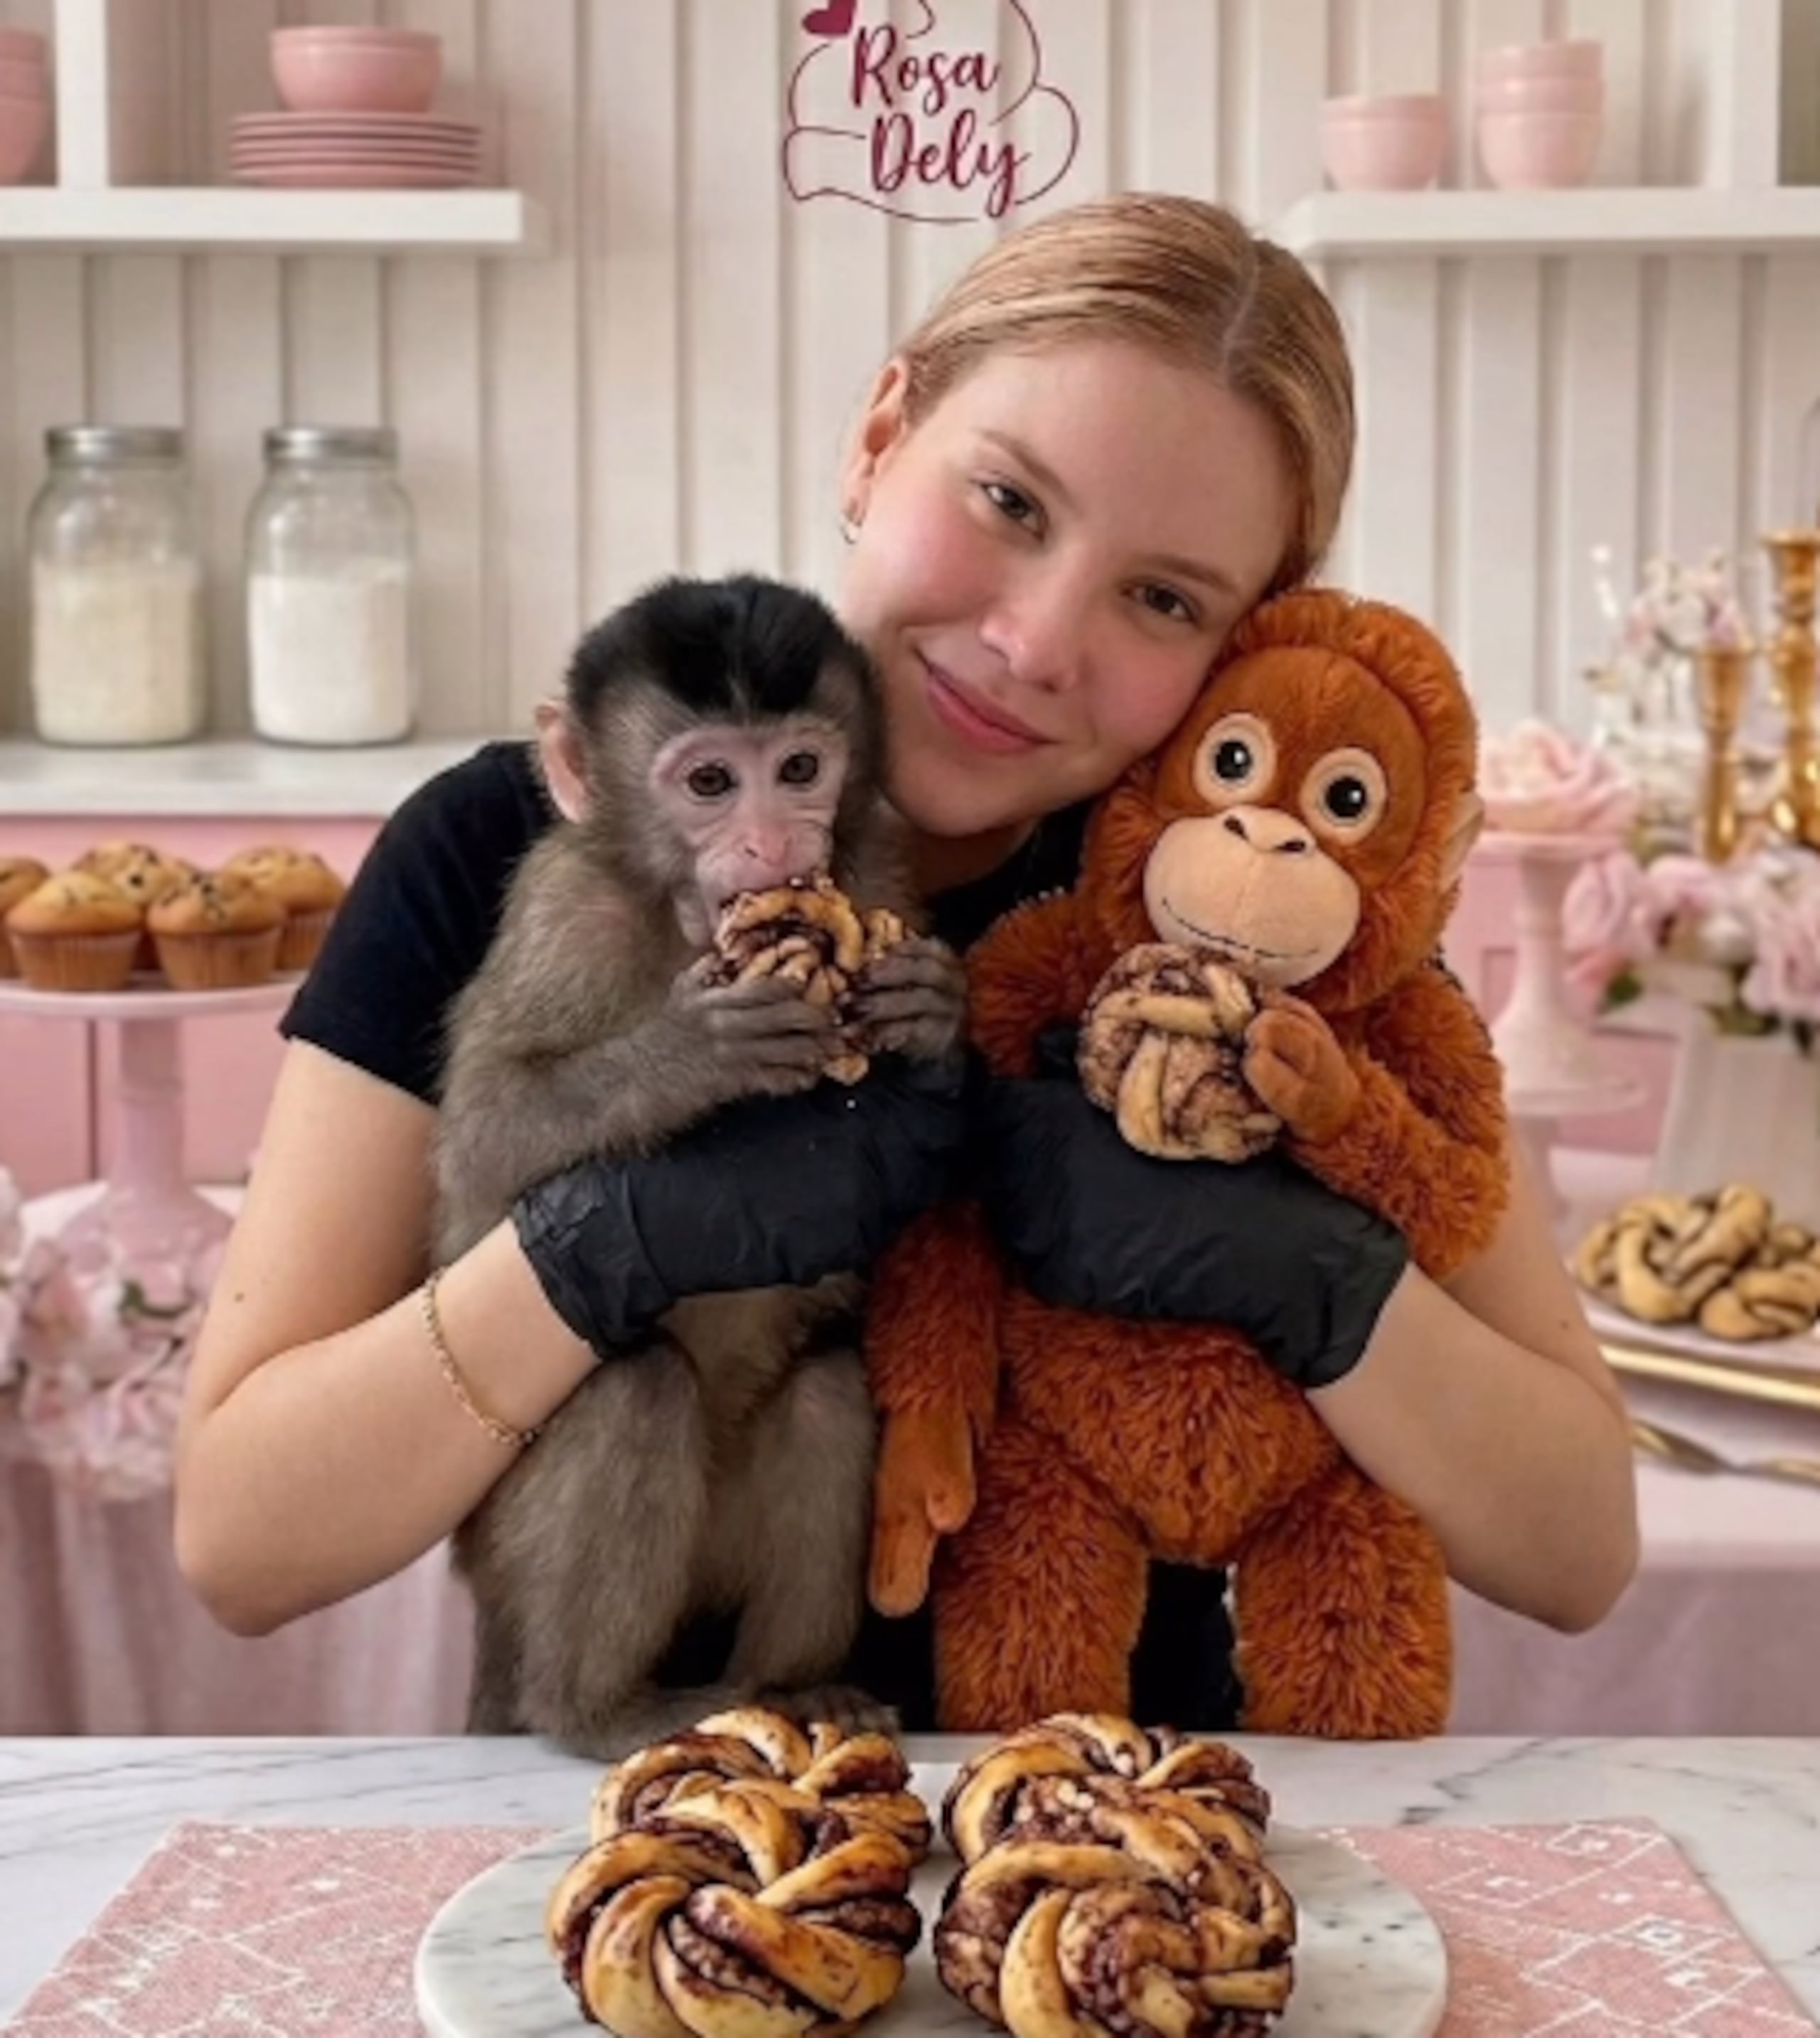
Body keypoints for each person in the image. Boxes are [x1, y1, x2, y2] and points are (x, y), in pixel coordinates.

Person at [172, 193, 1638, 1729]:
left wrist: (1299, 1275)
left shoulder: (1244, 913)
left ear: (1235, 647)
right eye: (1009, 500)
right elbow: (243, 1536)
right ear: (881, 437)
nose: (1033, 637)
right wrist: (598, 1245)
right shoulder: (521, 837)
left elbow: (1573, 1543)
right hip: (640, 1843)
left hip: (1130, 1845)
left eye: (1160, 597)